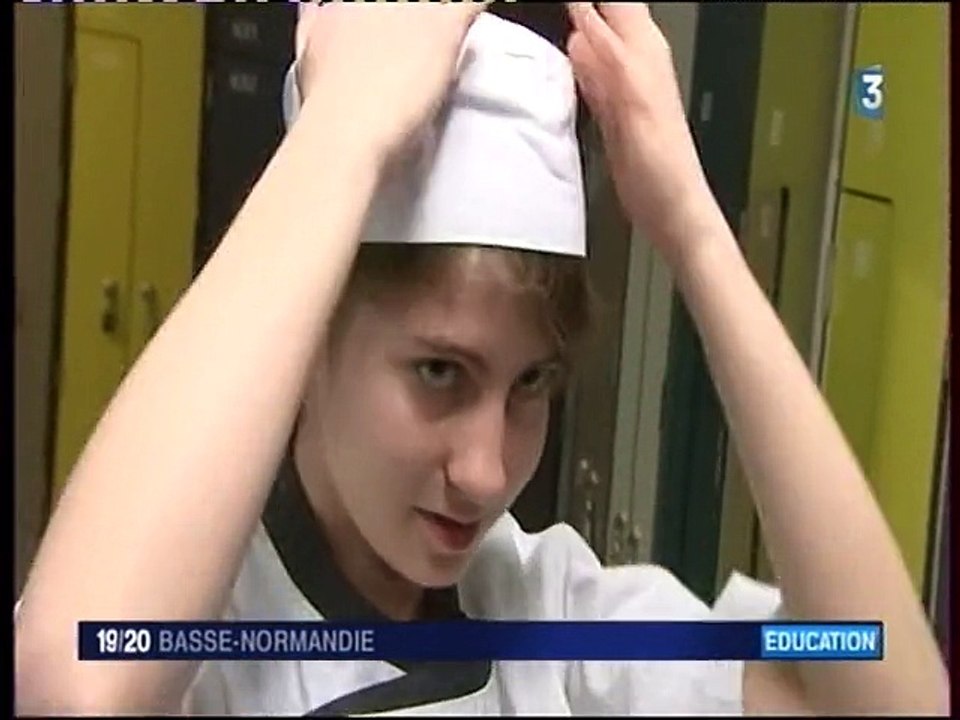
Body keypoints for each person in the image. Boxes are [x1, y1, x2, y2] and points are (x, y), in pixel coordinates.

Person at [14, 4, 948, 716]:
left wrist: (693, 227)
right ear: (312, 338)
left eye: (529, 383)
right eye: (438, 373)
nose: (487, 471)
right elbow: (72, 685)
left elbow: (885, 692)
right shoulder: (211, 637)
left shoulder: (548, 619)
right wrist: (346, 132)